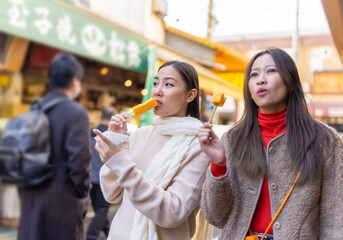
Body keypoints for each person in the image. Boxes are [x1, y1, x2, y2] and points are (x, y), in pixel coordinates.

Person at [198, 47, 343, 239]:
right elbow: (216, 216)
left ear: (291, 82)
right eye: (254, 74)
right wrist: (218, 165)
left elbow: (339, 217)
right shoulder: (233, 139)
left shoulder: (323, 139)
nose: (261, 79)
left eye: (271, 71)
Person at [93, 61, 210, 240]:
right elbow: (112, 195)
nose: (157, 91)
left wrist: (120, 161)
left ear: (190, 95)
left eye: (168, 84)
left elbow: (173, 212)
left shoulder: (199, 145)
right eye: (156, 83)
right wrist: (117, 144)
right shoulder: (140, 135)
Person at [17, 53, 92, 240]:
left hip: (31, 197)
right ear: (74, 80)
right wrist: (81, 194)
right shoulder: (76, 113)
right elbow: (80, 161)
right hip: (61, 201)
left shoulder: (34, 109)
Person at [87, 106, 118, 240]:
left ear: (101, 116)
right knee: (101, 210)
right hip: (105, 179)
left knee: (99, 209)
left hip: (90, 177)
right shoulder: (114, 135)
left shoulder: (90, 132)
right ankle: (91, 236)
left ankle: (107, 232)